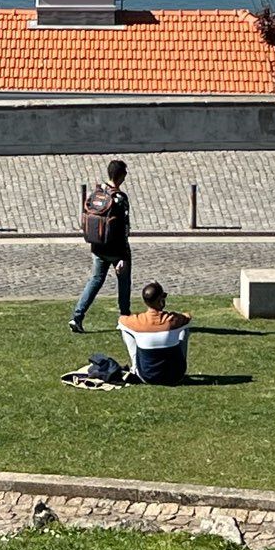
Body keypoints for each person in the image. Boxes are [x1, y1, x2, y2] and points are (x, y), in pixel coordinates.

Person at [71, 159, 132, 333]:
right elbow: (124, 228)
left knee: (95, 280)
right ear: (120, 175)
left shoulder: (97, 194)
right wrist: (123, 256)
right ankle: (124, 318)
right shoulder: (120, 198)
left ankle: (77, 316)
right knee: (124, 282)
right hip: (116, 249)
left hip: (97, 247)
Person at [117, 281, 192, 385]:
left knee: (126, 329)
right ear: (160, 300)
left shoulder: (138, 321)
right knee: (184, 329)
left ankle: (135, 367)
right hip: (176, 376)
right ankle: (181, 362)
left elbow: (121, 320)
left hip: (147, 377)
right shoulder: (172, 320)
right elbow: (188, 317)